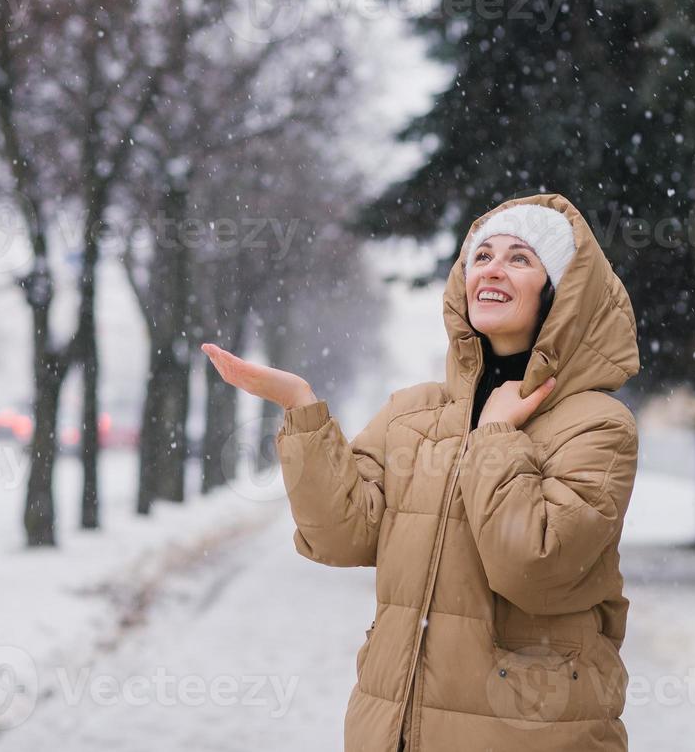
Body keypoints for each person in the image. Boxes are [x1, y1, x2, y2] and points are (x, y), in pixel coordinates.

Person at [202, 192, 640, 751]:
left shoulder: (598, 425)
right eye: (481, 256)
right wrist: (302, 410)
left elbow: (534, 565)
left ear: (559, 293)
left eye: (520, 258)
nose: (492, 269)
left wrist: (497, 436)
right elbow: (341, 536)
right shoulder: (413, 412)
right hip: (394, 728)